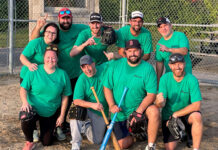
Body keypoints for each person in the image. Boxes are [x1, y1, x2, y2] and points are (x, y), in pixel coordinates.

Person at [30, 7, 89, 131]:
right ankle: (56, 125)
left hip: (77, 73)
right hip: (59, 73)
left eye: (68, 18)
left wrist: (104, 27)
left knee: (73, 99)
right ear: (59, 19)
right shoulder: (54, 31)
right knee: (57, 99)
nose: (66, 21)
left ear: (71, 18)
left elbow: (94, 30)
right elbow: (34, 39)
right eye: (63, 18)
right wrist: (38, 26)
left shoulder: (80, 29)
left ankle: (66, 123)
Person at [103, 39, 159, 149]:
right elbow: (107, 87)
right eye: (129, 51)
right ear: (125, 52)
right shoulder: (115, 65)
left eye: (135, 50)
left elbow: (151, 94)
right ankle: (135, 135)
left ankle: (151, 145)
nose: (132, 54)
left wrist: (138, 112)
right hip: (120, 114)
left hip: (139, 111)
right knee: (122, 145)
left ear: (141, 51)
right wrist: (111, 105)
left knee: (154, 111)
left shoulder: (148, 69)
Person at [20, 45, 72, 149]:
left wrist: (62, 116)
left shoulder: (63, 74)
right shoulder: (34, 70)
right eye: (48, 57)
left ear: (57, 59)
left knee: (46, 142)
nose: (50, 60)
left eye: (53, 57)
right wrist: (25, 102)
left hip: (50, 111)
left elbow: (65, 96)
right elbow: (23, 88)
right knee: (25, 117)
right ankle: (29, 140)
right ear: (44, 58)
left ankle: (55, 128)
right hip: (33, 108)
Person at [155, 53, 203, 150]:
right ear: (169, 65)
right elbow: (161, 104)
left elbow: (197, 105)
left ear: (184, 64)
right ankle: (182, 133)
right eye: (174, 64)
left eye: (180, 63)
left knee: (197, 117)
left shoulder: (191, 79)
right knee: (169, 147)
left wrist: (176, 114)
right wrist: (159, 102)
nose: (177, 67)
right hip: (169, 117)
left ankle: (196, 148)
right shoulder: (165, 78)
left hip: (186, 115)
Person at [70, 55, 109, 150]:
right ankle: (76, 143)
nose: (87, 69)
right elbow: (77, 100)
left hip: (100, 110)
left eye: (89, 65)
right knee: (75, 111)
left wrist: (113, 55)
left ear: (93, 64)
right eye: (83, 67)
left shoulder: (104, 68)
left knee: (97, 140)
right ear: (81, 68)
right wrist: (92, 105)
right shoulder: (82, 79)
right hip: (86, 107)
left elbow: (120, 60)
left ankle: (86, 126)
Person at [155, 17, 192, 85]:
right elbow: (160, 62)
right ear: (158, 29)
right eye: (160, 27)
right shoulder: (159, 44)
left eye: (165, 25)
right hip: (170, 79)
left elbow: (184, 51)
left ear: (171, 25)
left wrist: (169, 49)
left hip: (185, 77)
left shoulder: (180, 36)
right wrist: (158, 81)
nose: (163, 29)